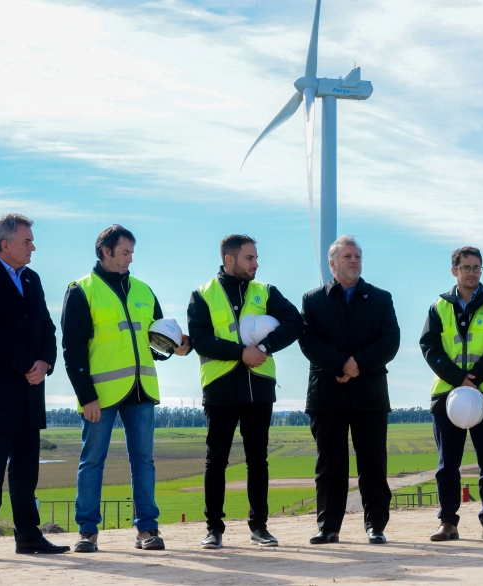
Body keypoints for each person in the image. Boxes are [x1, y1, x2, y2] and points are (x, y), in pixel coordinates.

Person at [62, 225, 191, 553]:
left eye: (132, 253)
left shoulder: (145, 290)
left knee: (144, 461)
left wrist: (176, 347)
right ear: (105, 251)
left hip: (142, 390)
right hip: (100, 395)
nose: (130, 259)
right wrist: (85, 395)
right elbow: (72, 349)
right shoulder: (81, 290)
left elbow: (157, 342)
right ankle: (87, 532)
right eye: (124, 253)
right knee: (92, 460)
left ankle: (147, 530)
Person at [187, 234, 303, 549]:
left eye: (255, 258)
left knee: (258, 460)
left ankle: (260, 528)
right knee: (216, 460)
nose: (256, 264)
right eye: (249, 258)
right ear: (230, 259)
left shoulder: (266, 291)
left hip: (259, 388)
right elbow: (200, 339)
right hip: (220, 387)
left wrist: (264, 346)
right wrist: (241, 353)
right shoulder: (202, 295)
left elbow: (295, 322)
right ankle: (214, 529)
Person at [0, 214, 70, 561]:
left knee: (27, 469)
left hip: (31, 387)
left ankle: (28, 536)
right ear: (5, 244)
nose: (33, 247)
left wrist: (45, 363)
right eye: (27, 241)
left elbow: (47, 327)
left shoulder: (32, 278)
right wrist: (28, 364)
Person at [299, 235, 400, 544]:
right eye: (347, 256)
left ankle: (375, 526)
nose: (354, 260)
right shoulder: (313, 300)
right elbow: (309, 341)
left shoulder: (381, 298)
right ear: (332, 264)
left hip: (369, 393)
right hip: (327, 394)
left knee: (373, 463)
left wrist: (357, 364)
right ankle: (328, 526)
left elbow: (390, 340)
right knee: (330, 464)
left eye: (357, 256)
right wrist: (341, 363)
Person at [419, 246, 483, 542]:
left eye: (477, 268)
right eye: (466, 267)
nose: (472, 273)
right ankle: (448, 522)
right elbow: (429, 346)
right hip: (447, 397)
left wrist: (474, 378)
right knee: (448, 465)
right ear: (454, 271)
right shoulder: (438, 307)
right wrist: (458, 378)